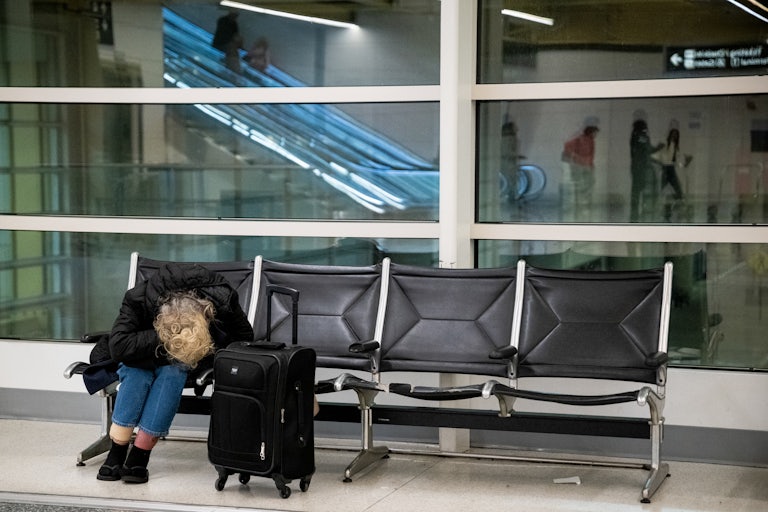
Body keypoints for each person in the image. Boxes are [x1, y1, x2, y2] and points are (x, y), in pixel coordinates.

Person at [97, 262, 254, 484]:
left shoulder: (223, 300)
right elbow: (120, 346)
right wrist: (169, 335)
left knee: (172, 374)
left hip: (183, 359)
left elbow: (244, 337)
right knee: (137, 375)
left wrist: (202, 344)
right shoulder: (138, 298)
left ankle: (140, 454)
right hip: (141, 354)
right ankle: (117, 450)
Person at [629, 118, 664, 222]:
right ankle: (642, 212)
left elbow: (645, 151)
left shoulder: (634, 136)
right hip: (642, 168)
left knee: (636, 190)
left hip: (636, 168)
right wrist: (658, 148)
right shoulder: (641, 136)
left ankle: (634, 215)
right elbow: (648, 150)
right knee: (643, 190)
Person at [561, 120, 599, 216]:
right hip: (580, 167)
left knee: (585, 187)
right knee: (581, 187)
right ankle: (580, 207)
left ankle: (582, 206)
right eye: (595, 133)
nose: (596, 135)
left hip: (585, 166)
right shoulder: (580, 140)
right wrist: (577, 159)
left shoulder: (590, 140)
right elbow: (567, 149)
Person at [657, 124, 692, 221]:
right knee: (663, 189)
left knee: (677, 190)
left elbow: (675, 161)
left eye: (676, 135)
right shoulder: (666, 145)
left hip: (670, 168)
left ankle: (676, 207)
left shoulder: (676, 147)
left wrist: (684, 163)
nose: (674, 136)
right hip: (666, 169)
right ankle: (664, 209)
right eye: (673, 134)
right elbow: (665, 158)